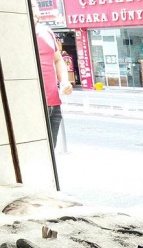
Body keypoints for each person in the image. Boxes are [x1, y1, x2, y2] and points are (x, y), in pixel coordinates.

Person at [31, 1, 73, 148]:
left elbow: (58, 60)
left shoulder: (46, 31)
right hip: (31, 106)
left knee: (50, 154)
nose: (32, 8)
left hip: (53, 104)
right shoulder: (13, 35)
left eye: (34, 5)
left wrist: (64, 81)